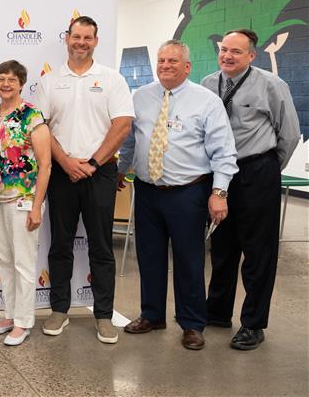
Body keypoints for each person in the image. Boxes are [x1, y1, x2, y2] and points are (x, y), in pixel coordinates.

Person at [118, 40, 238, 350]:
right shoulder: (140, 97)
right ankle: (152, 315)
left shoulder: (206, 101)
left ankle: (192, 323)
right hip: (146, 190)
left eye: (173, 60)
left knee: (189, 260)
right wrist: (120, 170)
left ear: (187, 66)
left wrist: (219, 192)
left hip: (188, 193)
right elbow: (131, 142)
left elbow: (224, 153)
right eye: (161, 60)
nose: (165, 65)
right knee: (149, 257)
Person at [34, 16, 134, 344]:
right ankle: (59, 310)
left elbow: (122, 126)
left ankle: (103, 315)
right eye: (76, 36)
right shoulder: (50, 81)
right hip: (62, 173)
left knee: (102, 247)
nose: (81, 42)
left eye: (87, 37)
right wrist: (65, 161)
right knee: (60, 245)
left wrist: (91, 163)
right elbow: (41, 128)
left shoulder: (111, 79)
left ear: (96, 40)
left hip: (99, 172)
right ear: (67, 39)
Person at [201, 29, 301, 350]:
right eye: (224, 49)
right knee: (222, 247)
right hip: (220, 174)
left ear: (251, 56)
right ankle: (216, 312)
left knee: (258, 252)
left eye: (236, 52)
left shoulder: (271, 85)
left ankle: (253, 324)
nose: (228, 56)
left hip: (256, 171)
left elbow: (290, 134)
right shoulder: (207, 84)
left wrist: (268, 168)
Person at [0, 60, 51, 346]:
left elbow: (45, 165)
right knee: (5, 260)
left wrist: (36, 205)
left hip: (23, 198)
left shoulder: (32, 116)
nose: (6, 83)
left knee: (23, 262)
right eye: (1, 79)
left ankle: (24, 321)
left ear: (21, 83)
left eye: (11, 79)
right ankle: (9, 314)